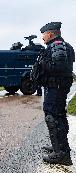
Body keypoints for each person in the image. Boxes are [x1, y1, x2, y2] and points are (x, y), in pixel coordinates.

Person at [36, 22, 75, 165]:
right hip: (56, 87)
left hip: (56, 88)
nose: (43, 38)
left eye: (44, 35)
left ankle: (61, 154)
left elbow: (57, 67)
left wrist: (41, 64)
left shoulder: (57, 45)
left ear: (50, 34)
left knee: (53, 117)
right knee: (58, 116)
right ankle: (59, 147)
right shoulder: (64, 46)